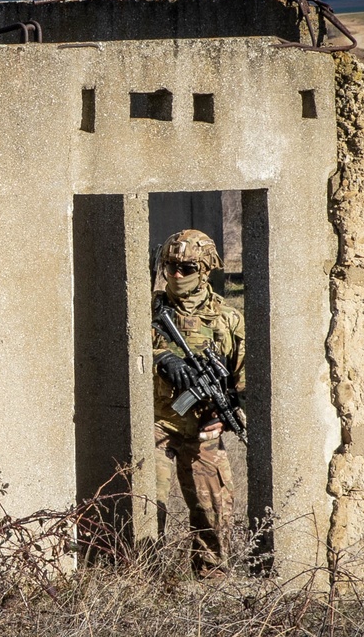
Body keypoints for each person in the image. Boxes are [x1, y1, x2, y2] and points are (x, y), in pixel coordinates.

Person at [151, 229, 245, 578]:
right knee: (146, 506)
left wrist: (226, 412)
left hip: (204, 428)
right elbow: (127, 344)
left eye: (186, 267)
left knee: (215, 509)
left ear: (205, 270)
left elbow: (245, 382)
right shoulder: (151, 309)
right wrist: (163, 357)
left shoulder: (227, 319)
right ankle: (145, 579)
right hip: (158, 423)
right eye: (170, 267)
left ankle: (211, 579)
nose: (176, 275)